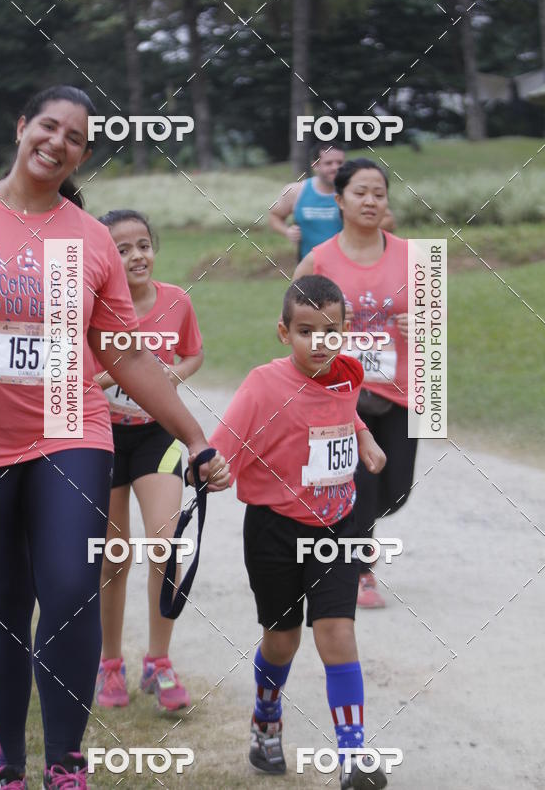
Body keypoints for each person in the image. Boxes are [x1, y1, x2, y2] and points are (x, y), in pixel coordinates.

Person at [0, 85, 229, 790]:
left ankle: (66, 762)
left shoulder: (87, 237)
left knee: (71, 587)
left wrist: (194, 437)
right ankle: (6, 767)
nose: (58, 142)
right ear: (21, 128)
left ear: (82, 153)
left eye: (75, 137)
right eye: (49, 125)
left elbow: (126, 355)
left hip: (69, 430)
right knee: (0, 609)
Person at [209, 275, 389, 790]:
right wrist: (211, 469)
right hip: (274, 530)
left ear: (346, 331)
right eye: (306, 331)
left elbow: (341, 407)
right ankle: (267, 713)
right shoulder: (263, 385)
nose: (320, 342)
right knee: (282, 640)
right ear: (283, 332)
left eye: (331, 330)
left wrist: (364, 436)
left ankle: (352, 756)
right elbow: (224, 445)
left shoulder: (348, 372)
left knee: (337, 631)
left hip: (337, 523)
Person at [93, 210, 204, 712]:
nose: (136, 256)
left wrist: (167, 380)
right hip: (103, 439)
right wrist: (107, 381)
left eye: (143, 244)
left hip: (157, 436)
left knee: (167, 545)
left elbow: (193, 354)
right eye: (122, 249)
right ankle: (109, 663)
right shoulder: (92, 307)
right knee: (114, 557)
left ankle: (159, 661)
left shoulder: (176, 300)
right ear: (104, 258)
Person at [294, 158, 416, 609]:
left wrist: (421, 321)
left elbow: (439, 327)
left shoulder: (415, 257)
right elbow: (293, 326)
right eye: (361, 192)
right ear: (340, 199)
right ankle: (360, 568)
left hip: (401, 391)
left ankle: (343, 533)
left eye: (379, 193)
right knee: (361, 477)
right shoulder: (320, 259)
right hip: (341, 392)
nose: (370, 200)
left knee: (396, 489)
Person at [268, 142, 346, 261]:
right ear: (315, 165)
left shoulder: (352, 192)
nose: (335, 168)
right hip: (308, 267)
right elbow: (274, 216)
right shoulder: (296, 191)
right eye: (328, 163)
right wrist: (287, 231)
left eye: (339, 163)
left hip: (345, 266)